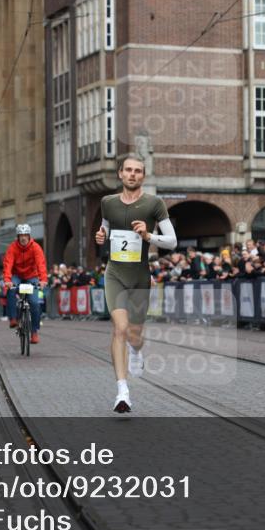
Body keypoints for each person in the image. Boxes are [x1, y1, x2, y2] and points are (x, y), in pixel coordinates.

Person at [95, 153, 177, 413]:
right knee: (119, 328)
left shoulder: (154, 203)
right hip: (115, 274)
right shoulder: (107, 202)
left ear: (143, 175)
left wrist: (148, 235)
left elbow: (172, 241)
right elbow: (105, 228)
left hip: (140, 275)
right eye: (128, 170)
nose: (132, 174)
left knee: (134, 334)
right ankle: (122, 392)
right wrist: (101, 236)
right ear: (120, 173)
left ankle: (137, 350)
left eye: (138, 171)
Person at [3, 224, 48, 343]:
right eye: (21, 235)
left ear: (29, 236)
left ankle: (34, 332)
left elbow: (41, 264)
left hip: (32, 276)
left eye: (25, 235)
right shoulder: (12, 248)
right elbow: (8, 265)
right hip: (17, 275)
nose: (23, 238)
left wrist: (43, 280)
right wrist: (7, 280)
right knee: (11, 290)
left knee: (34, 303)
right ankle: (13, 318)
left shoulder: (36, 247)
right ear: (18, 237)